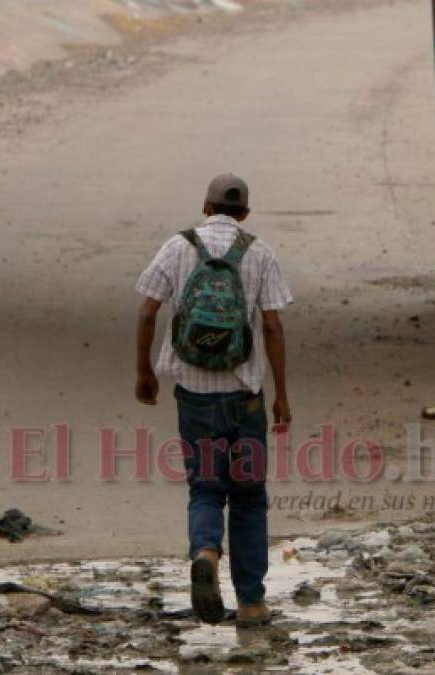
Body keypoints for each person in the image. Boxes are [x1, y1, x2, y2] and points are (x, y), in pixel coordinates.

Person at [134, 174, 292, 627]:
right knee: (248, 497)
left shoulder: (178, 247)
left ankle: (205, 552)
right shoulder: (258, 252)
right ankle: (251, 602)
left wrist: (145, 370)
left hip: (194, 397)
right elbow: (274, 327)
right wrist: (281, 394)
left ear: (205, 207)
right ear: (244, 214)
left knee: (205, 487)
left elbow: (147, 310)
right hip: (245, 398)